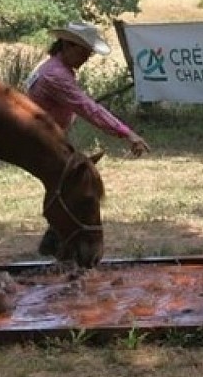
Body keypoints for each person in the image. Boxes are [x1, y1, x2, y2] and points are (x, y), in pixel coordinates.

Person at [25, 21, 150, 256]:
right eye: (84, 52)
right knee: (78, 188)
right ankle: (68, 243)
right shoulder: (56, 75)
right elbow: (88, 108)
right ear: (68, 45)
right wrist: (127, 133)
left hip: (47, 139)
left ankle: (57, 242)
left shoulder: (54, 68)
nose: (87, 58)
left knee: (72, 185)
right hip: (41, 143)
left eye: (89, 53)